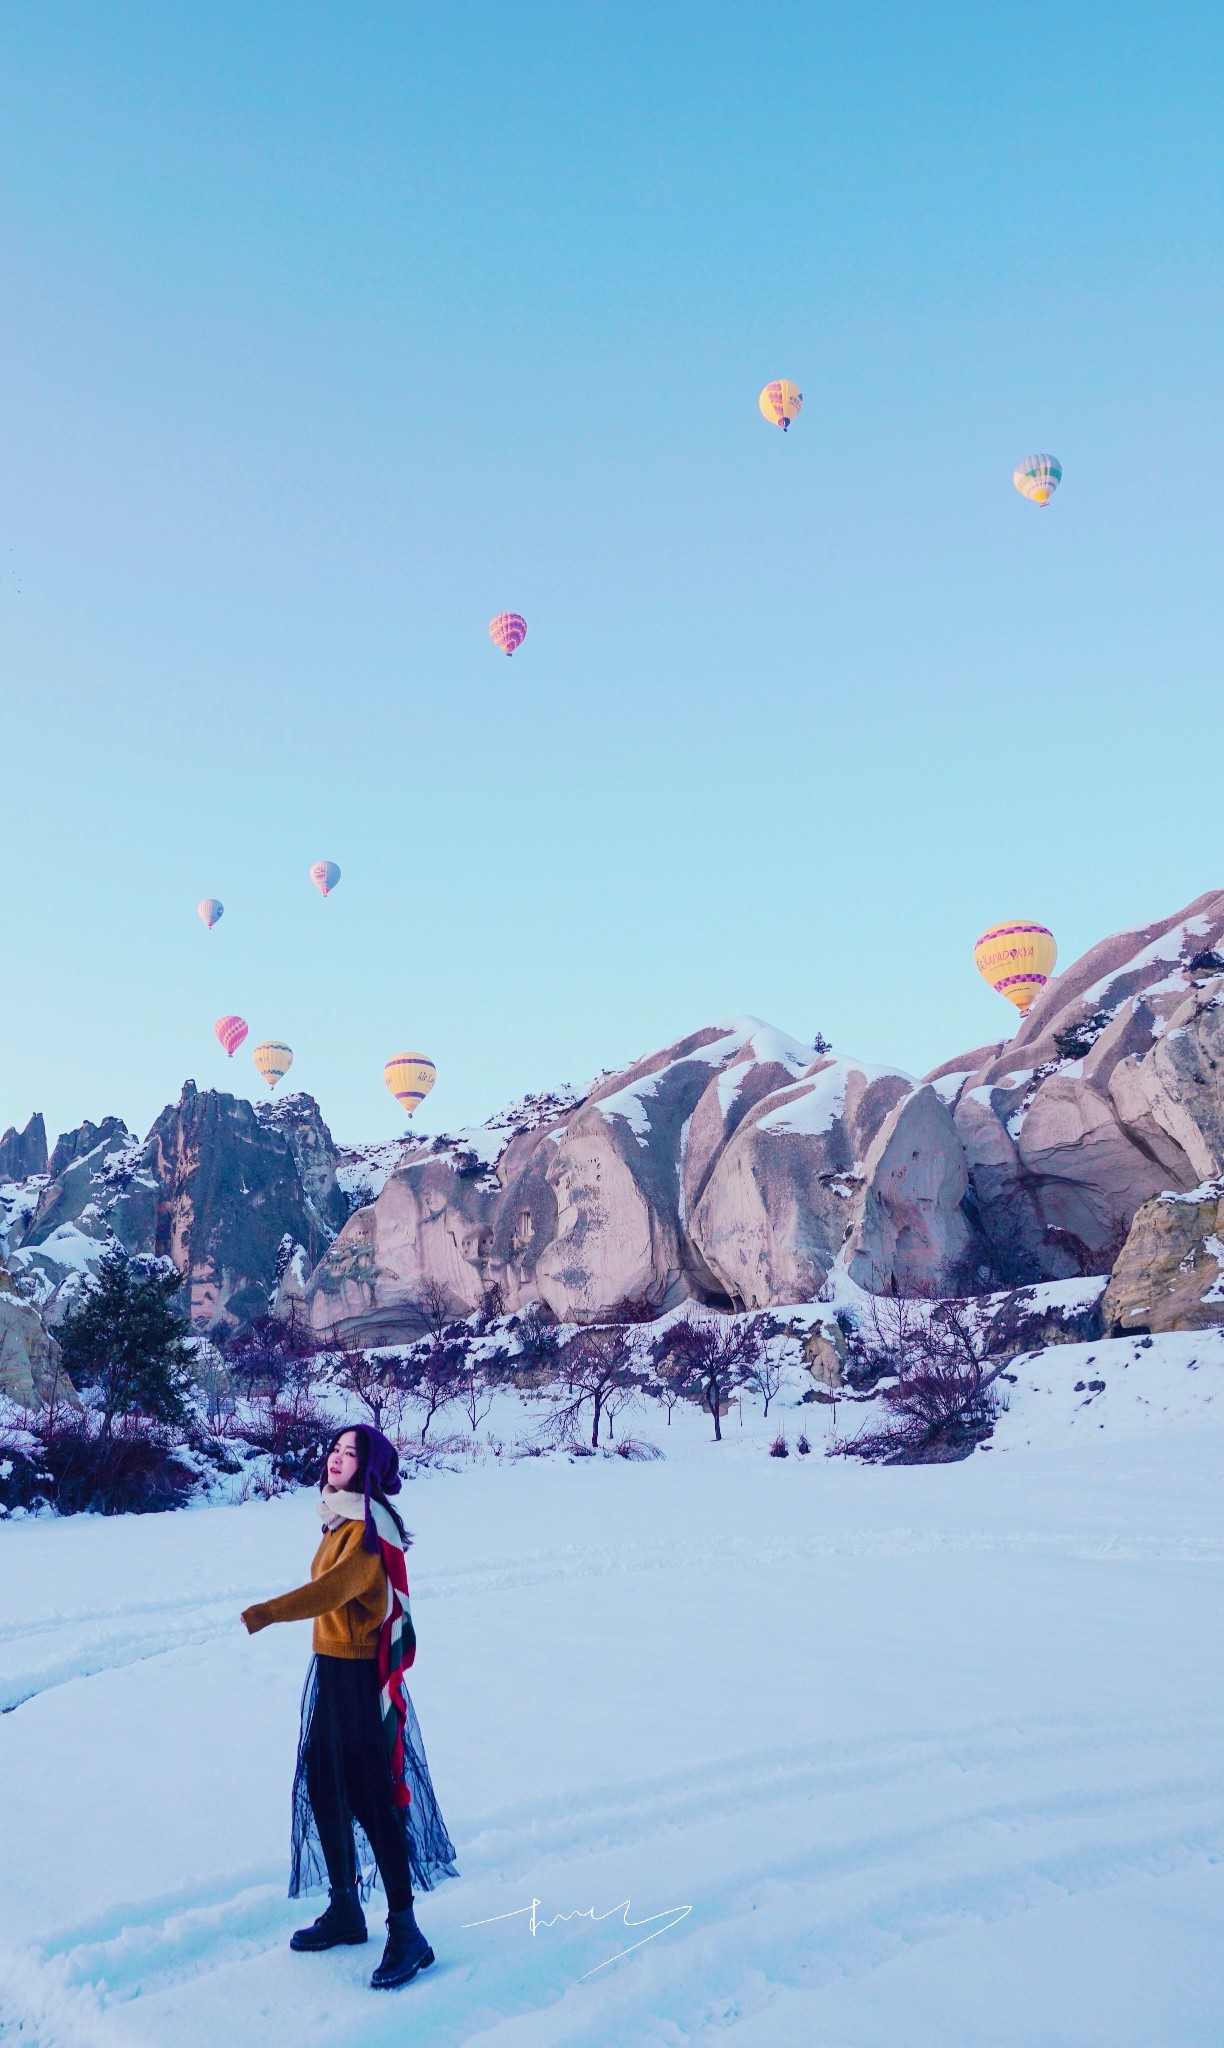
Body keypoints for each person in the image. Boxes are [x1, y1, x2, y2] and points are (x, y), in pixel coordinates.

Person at [241, 1423, 458, 1990]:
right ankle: (345, 1909)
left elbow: (332, 1592)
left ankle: (407, 1932)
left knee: (369, 1796)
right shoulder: (338, 1517)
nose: (336, 1458)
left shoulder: (369, 1530)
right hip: (332, 1669)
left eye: (349, 1453)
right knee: (321, 1782)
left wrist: (265, 1611)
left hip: (360, 1678)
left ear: (368, 1468)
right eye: (334, 1450)